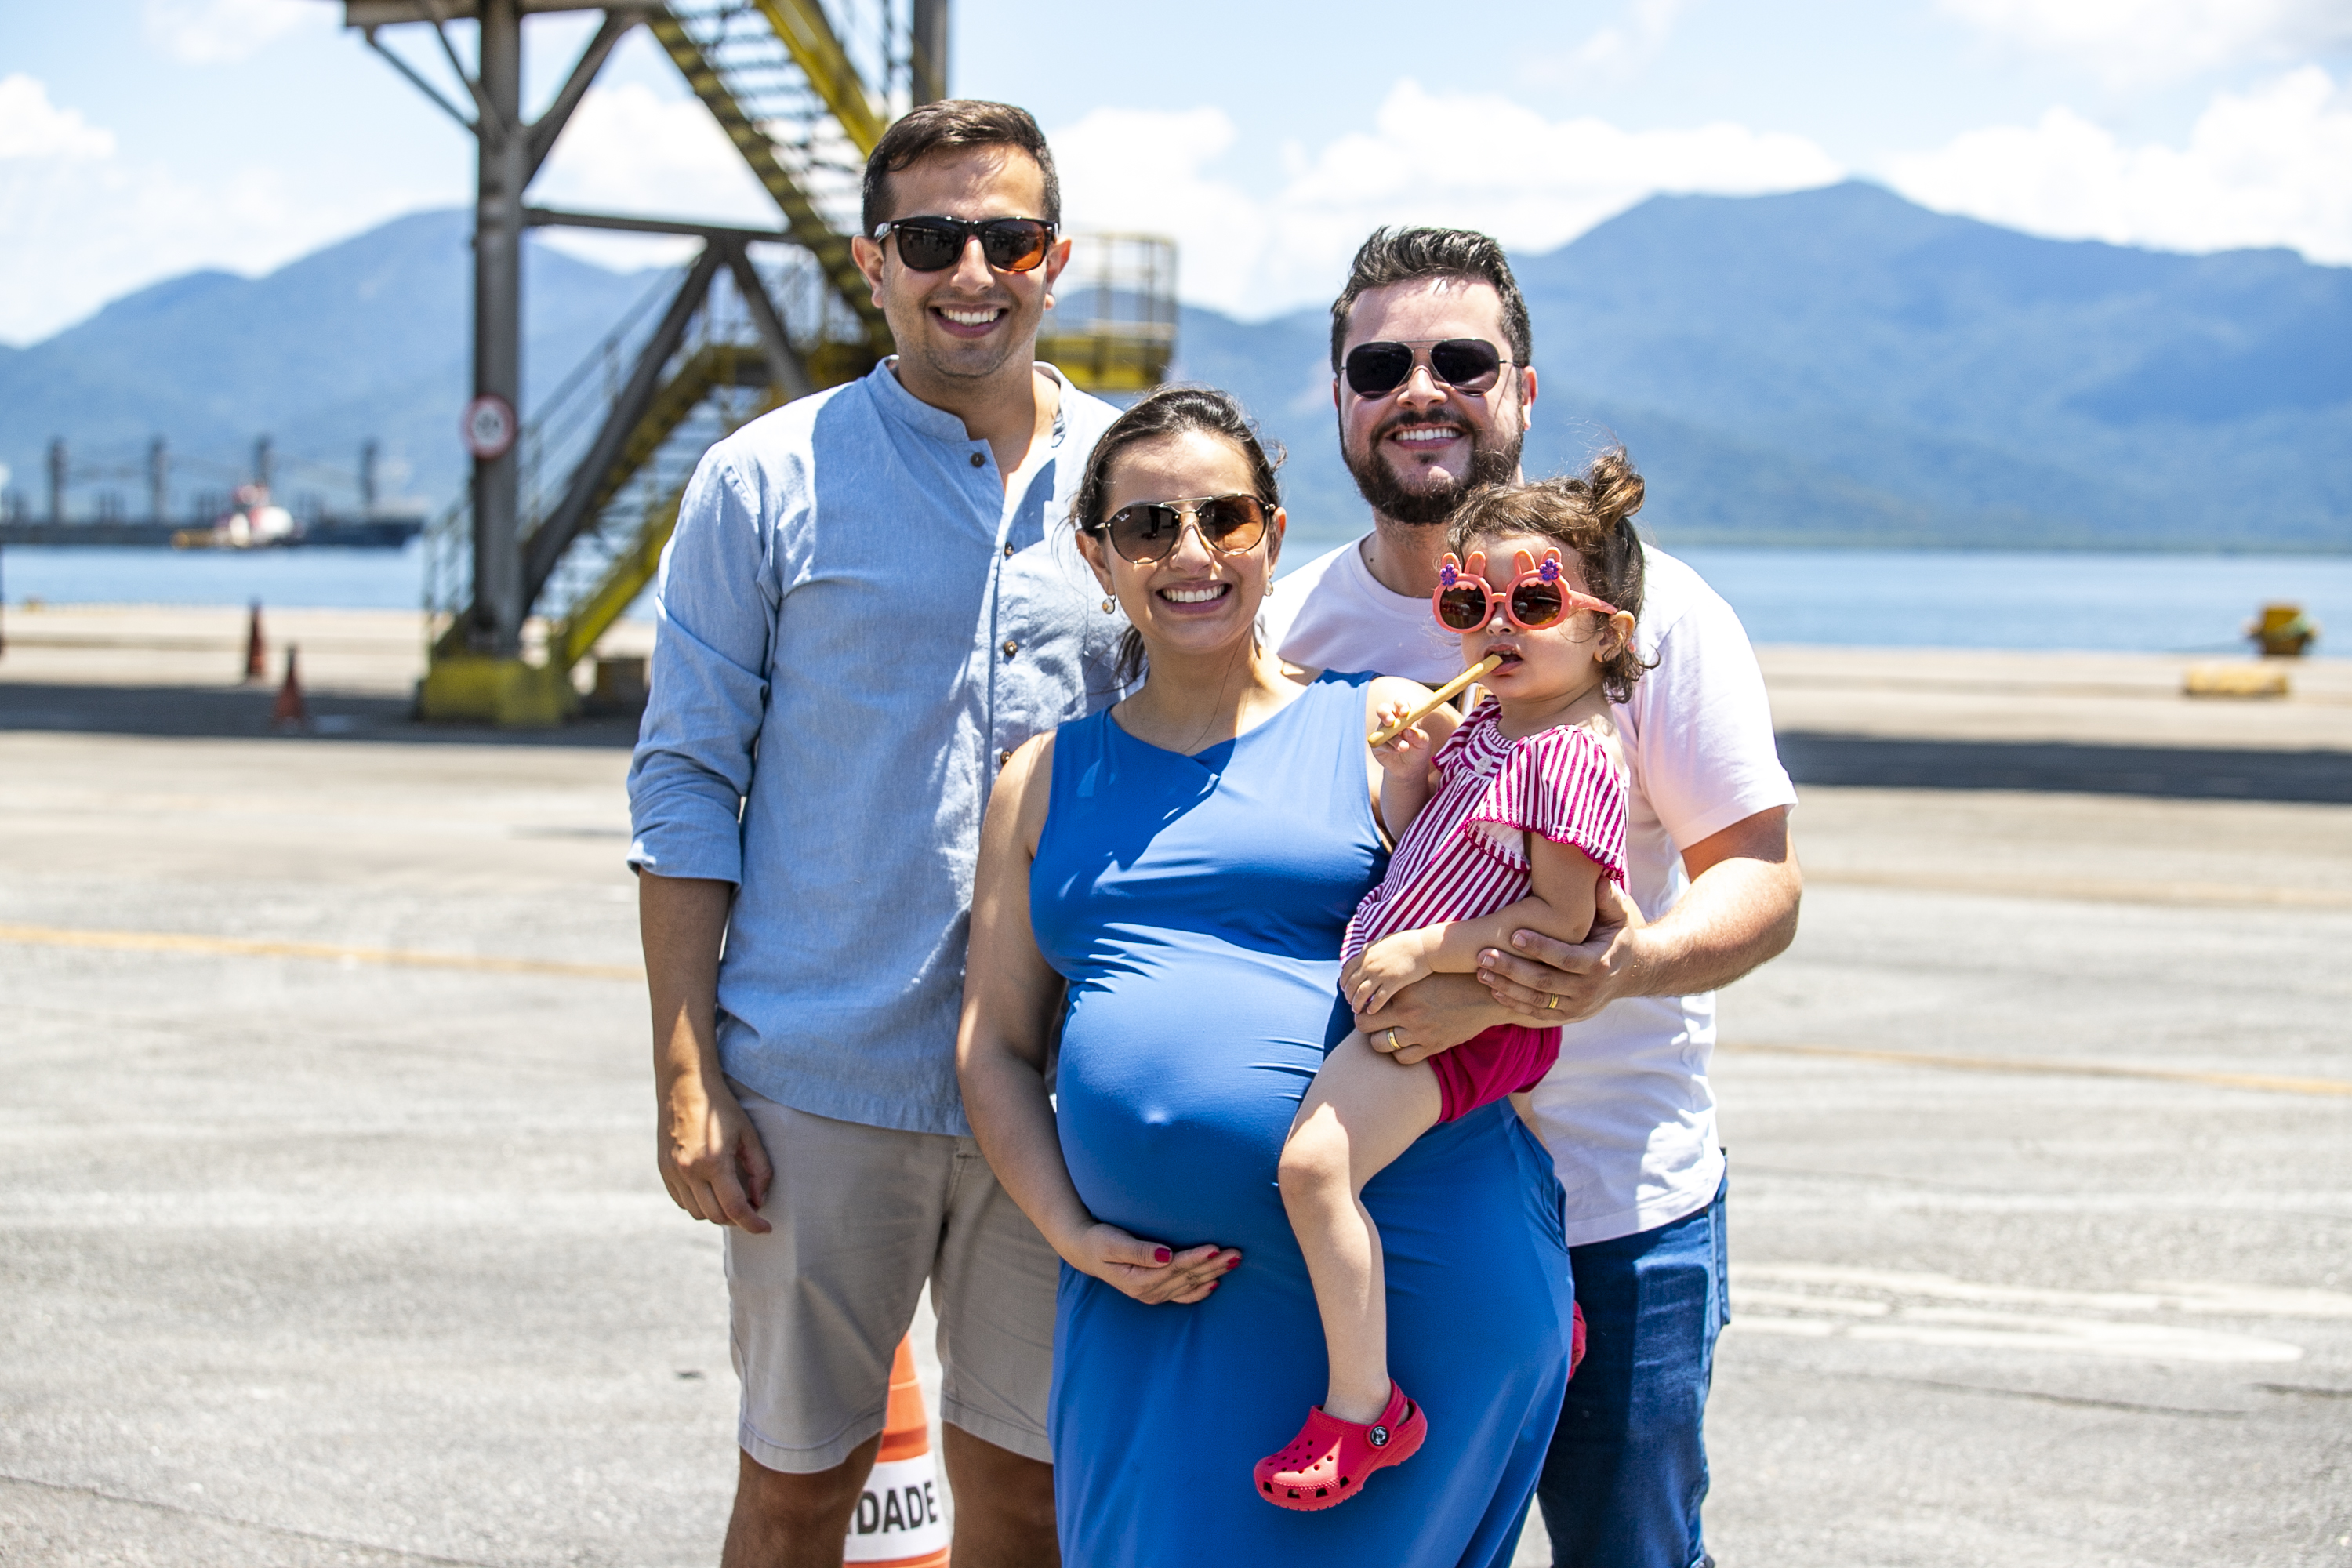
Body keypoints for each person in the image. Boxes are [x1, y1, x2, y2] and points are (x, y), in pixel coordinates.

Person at [627, 100, 1126, 1568]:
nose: (971, 269)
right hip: (819, 1085)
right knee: (798, 1491)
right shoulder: (761, 480)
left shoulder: (1141, 492)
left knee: (1028, 1496)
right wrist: (682, 1072)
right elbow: (682, 784)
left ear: (1056, 258)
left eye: (1007, 237)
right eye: (930, 238)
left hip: (1055, 1084)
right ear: (872, 262)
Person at [1261, 227, 1802, 1568]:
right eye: (1380, 363)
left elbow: (1762, 883)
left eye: (1461, 359)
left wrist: (1623, 966)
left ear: (1524, 389)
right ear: (1338, 396)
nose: (1420, 389)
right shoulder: (1288, 626)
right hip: (1396, 1214)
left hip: (1619, 1203)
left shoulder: (1655, 613)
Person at [958, 386, 1573, 1566]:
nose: (1190, 554)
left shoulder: (1388, 730)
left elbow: (1556, 924)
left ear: (1274, 536)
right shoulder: (1038, 782)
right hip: (1154, 1301)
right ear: (1098, 559)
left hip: (1403, 1298)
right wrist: (1071, 1231)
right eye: (1146, 528)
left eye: (1224, 520)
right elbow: (993, 1046)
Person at [1261, 466, 1650, 1508]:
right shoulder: (1490, 728)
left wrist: (1426, 952)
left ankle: (1364, 1408)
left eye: (1533, 603)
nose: (1496, 627)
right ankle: (1544, 1308)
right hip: (1444, 994)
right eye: (1468, 605)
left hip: (1471, 1014)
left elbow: (1562, 923)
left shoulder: (1566, 756)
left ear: (1608, 633)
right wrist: (1403, 776)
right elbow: (1423, 853)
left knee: (1312, 1172)